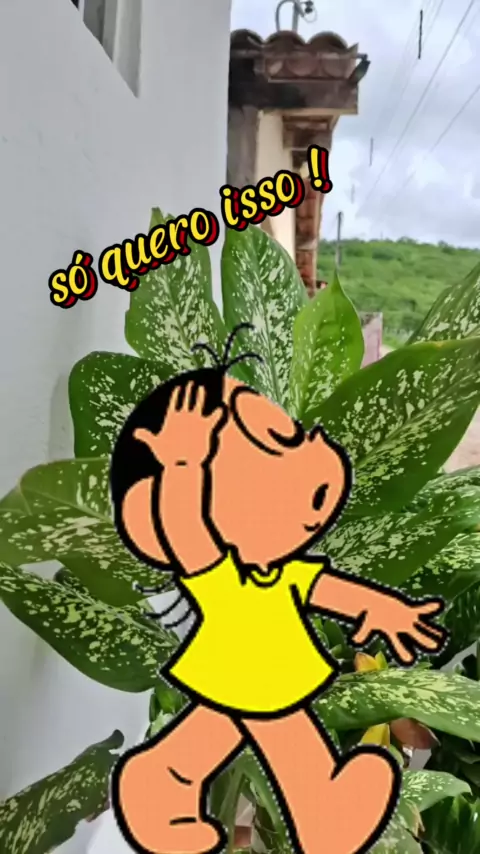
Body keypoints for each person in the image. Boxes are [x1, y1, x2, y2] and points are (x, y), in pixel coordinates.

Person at [110, 324, 447, 854]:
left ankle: (160, 783)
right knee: (280, 746)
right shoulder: (217, 571)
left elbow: (327, 588)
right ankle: (322, 813)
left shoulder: (282, 570)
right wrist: (182, 464)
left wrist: (386, 611)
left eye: (291, 437)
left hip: (263, 674)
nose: (313, 448)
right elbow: (185, 530)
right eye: (274, 451)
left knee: (207, 742)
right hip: (247, 672)